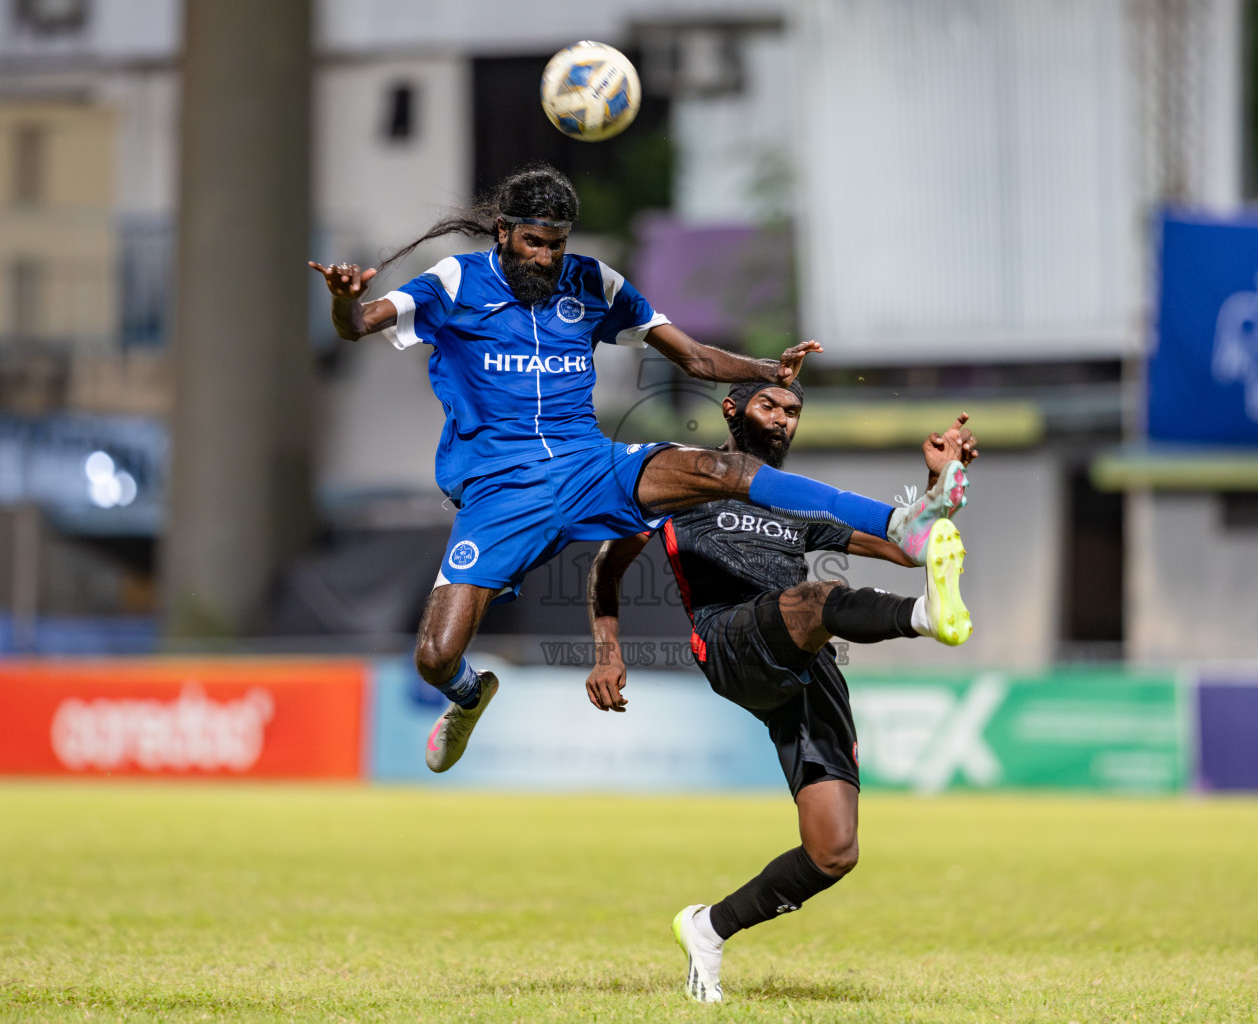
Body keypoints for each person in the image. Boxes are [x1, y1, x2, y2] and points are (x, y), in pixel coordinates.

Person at [309, 165, 963, 774]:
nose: (547, 256)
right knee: (435, 657)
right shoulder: (454, 282)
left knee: (718, 469)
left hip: (587, 465)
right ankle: (471, 697)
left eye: (557, 244)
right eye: (535, 242)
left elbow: (696, 359)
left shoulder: (595, 284)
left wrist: (768, 369)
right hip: (500, 492)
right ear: (504, 233)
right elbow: (359, 324)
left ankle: (904, 523)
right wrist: (343, 301)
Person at [583, 382, 978, 1003]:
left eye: (793, 412)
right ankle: (924, 618)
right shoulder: (683, 482)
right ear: (732, 409)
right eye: (771, 406)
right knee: (818, 596)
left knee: (833, 851)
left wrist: (938, 484)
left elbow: (908, 545)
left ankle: (708, 929)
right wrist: (607, 650)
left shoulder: (798, 505)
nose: (784, 420)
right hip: (729, 641)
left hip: (803, 658)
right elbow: (608, 564)